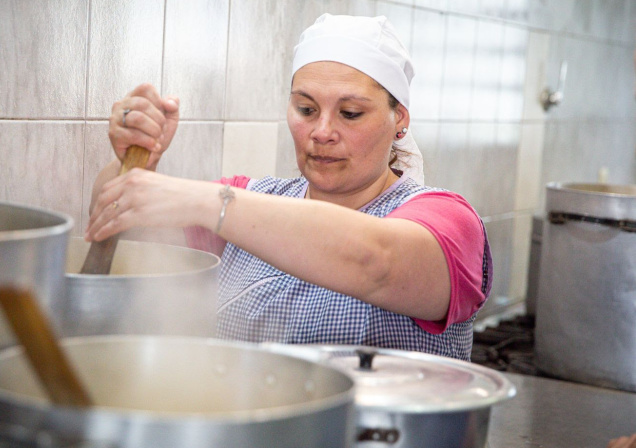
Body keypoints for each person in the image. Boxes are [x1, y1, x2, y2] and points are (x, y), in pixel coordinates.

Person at [85, 14, 492, 361]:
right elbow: (129, 234)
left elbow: (377, 262)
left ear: (399, 119)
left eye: (350, 113)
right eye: (306, 109)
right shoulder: (252, 198)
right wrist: (138, 162)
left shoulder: (449, 220)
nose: (322, 132)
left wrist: (209, 201)